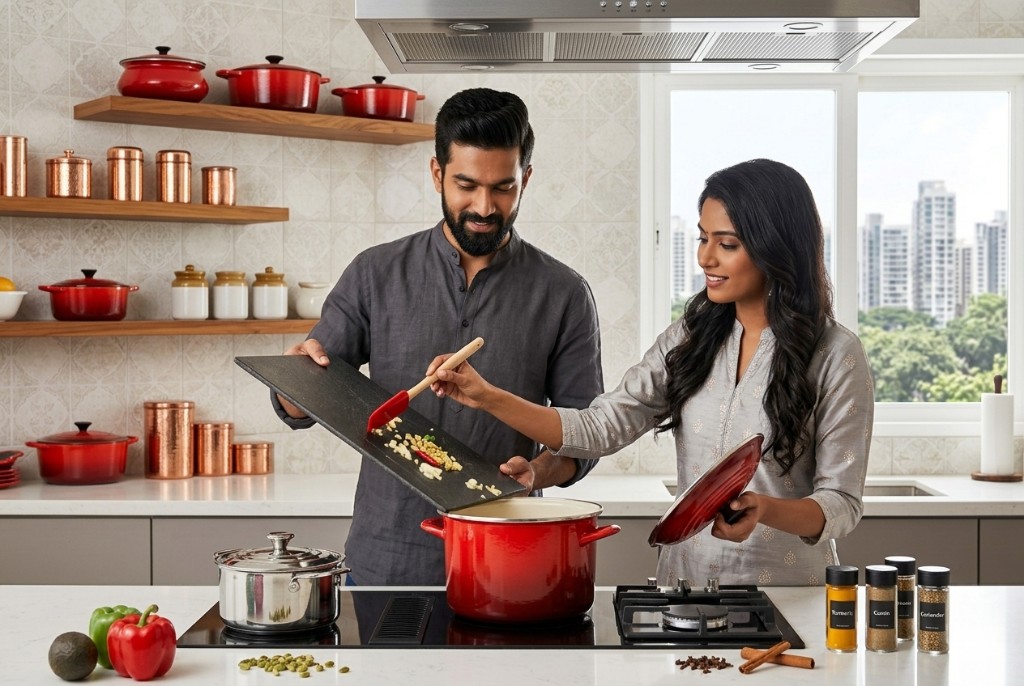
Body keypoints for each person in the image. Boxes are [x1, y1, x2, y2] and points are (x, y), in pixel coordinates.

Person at [430, 158, 874, 586]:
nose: (706, 258)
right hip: (684, 590)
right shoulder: (691, 337)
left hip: (788, 596)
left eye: (728, 244)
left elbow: (841, 504)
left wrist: (765, 509)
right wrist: (485, 395)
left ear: (776, 247)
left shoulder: (836, 354)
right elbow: (601, 426)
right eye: (703, 238)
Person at [271, 87, 604, 586]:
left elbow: (586, 433)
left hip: (508, 558)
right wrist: (295, 383)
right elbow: (302, 401)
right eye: (466, 185)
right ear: (436, 174)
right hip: (387, 556)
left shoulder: (565, 293)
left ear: (526, 179)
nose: (484, 206)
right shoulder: (374, 273)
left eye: (503, 188)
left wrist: (539, 472)